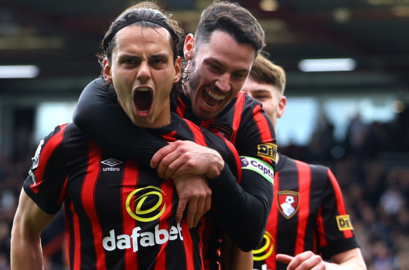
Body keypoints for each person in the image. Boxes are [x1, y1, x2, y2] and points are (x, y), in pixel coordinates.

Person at [11, 3, 244, 269]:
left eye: (157, 61)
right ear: (108, 70)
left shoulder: (214, 154)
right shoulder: (66, 145)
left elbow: (239, 243)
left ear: (177, 69)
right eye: (130, 61)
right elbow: (25, 230)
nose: (144, 72)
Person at [73, 1, 276, 261]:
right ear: (189, 48)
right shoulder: (156, 81)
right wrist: (180, 165)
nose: (223, 85)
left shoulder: (252, 120)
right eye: (214, 66)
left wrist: (216, 169)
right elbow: (88, 111)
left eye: (238, 75)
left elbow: (251, 230)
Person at [242, 54, 366, 270]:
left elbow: (355, 265)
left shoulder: (317, 179)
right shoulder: (208, 171)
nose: (251, 103)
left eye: (261, 95)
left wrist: (326, 268)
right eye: (241, 96)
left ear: (281, 106)